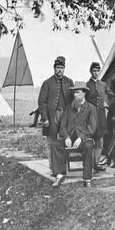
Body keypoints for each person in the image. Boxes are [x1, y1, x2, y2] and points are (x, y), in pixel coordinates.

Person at [37, 56, 74, 186]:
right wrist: (45, 118)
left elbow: (72, 101)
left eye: (62, 68)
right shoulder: (47, 83)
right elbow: (41, 102)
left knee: (64, 141)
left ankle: (62, 169)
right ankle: (53, 168)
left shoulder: (69, 82)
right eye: (58, 68)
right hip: (51, 117)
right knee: (51, 141)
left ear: (64, 69)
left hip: (65, 116)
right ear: (54, 68)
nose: (60, 70)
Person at [58, 82, 98, 187]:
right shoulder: (68, 108)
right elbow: (62, 125)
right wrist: (66, 137)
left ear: (84, 93)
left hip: (85, 136)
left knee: (88, 147)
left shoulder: (91, 108)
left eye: (78, 92)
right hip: (70, 136)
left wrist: (81, 138)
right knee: (56, 144)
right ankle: (59, 174)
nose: (75, 95)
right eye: (74, 93)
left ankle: (87, 178)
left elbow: (92, 128)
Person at [85, 62, 108, 171]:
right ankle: (90, 164)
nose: (96, 73)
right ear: (90, 71)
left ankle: (96, 163)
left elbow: (112, 96)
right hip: (91, 118)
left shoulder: (103, 84)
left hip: (101, 117)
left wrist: (107, 103)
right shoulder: (87, 85)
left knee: (100, 144)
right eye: (94, 71)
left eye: (97, 71)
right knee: (90, 143)